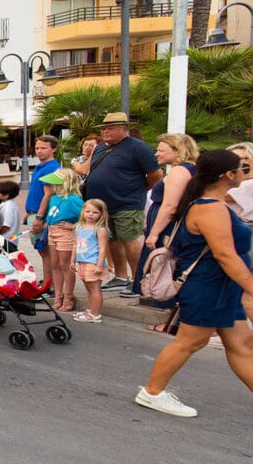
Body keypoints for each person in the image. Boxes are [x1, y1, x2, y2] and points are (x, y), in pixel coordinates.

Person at [137, 150, 253, 418]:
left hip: (221, 287)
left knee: (241, 344)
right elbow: (225, 255)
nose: (244, 173)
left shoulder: (211, 204)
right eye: (241, 169)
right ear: (228, 175)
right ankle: (152, 392)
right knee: (190, 342)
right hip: (209, 285)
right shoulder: (210, 208)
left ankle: (153, 391)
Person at [83, 113, 162, 291]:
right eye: (103, 128)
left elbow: (156, 175)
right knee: (112, 240)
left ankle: (137, 280)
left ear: (123, 129)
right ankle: (120, 276)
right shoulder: (102, 148)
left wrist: (138, 190)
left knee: (129, 240)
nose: (104, 131)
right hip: (103, 205)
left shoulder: (138, 147)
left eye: (110, 128)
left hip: (127, 203)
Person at [134, 133, 199, 306]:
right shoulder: (191, 169)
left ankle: (168, 310)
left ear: (178, 150)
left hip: (167, 228)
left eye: (161, 150)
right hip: (171, 225)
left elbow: (170, 206)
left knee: (164, 268)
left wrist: (154, 234)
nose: (156, 154)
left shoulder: (180, 171)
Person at [43, 169, 84, 314]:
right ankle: (58, 295)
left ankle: (68, 296)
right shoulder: (54, 198)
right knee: (55, 265)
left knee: (65, 265)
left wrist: (73, 226)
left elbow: (85, 218)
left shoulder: (74, 199)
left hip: (65, 233)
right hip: (52, 231)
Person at [26, 135, 62, 280]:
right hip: (34, 212)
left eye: (43, 148)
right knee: (43, 251)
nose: (39, 151)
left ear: (53, 149)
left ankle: (49, 283)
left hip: (42, 215)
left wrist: (39, 217)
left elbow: (48, 194)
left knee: (46, 251)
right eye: (37, 148)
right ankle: (48, 281)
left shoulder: (52, 167)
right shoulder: (40, 166)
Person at [73, 200, 111, 323]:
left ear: (101, 214)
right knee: (88, 288)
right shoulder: (79, 227)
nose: (90, 214)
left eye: (95, 212)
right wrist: (72, 261)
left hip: (93, 262)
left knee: (95, 289)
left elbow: (103, 248)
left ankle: (95, 314)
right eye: (88, 211)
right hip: (82, 261)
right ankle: (91, 309)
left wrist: (99, 265)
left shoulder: (100, 230)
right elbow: (75, 245)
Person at [0, 181, 22, 250]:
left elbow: (6, 226)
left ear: (6, 195)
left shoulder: (8, 207)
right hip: (9, 239)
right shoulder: (7, 204)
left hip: (7, 239)